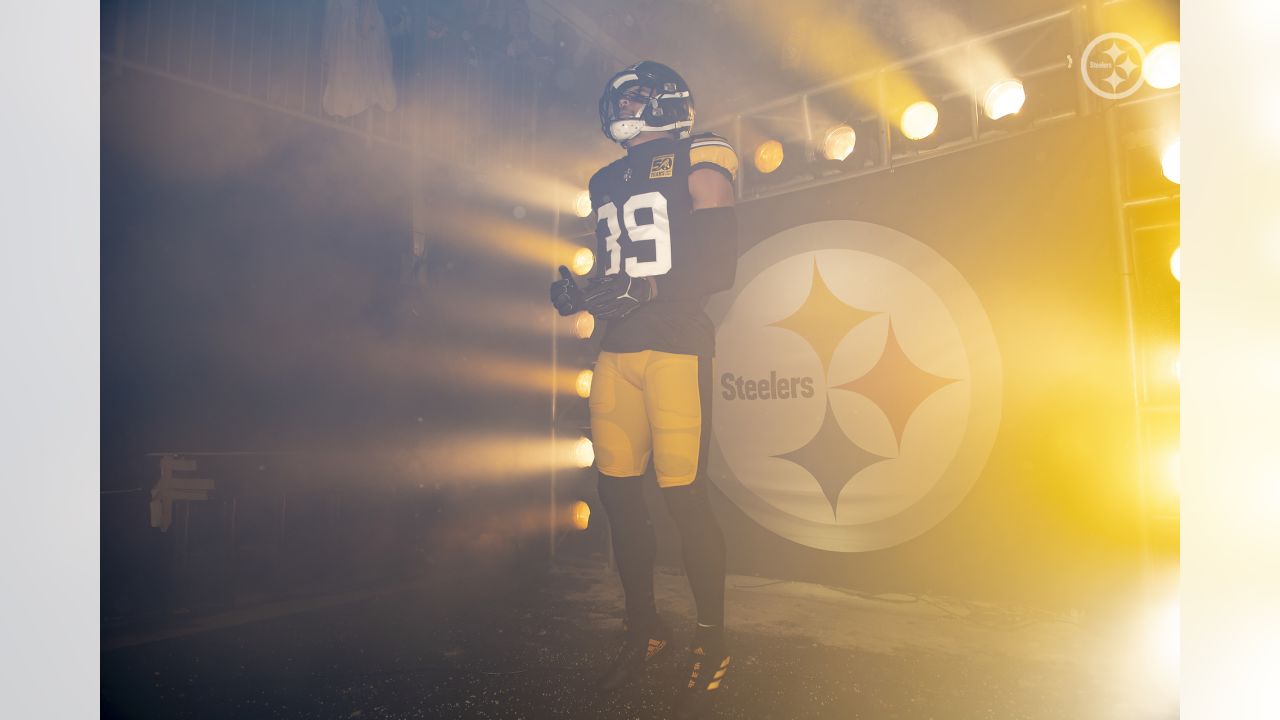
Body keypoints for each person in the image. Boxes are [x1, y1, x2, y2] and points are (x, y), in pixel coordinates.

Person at [550, 60, 739, 718]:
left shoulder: (703, 151)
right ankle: (643, 629)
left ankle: (713, 642)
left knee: (685, 498)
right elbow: (617, 264)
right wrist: (586, 290)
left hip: (676, 345)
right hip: (618, 349)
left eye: (635, 95)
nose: (623, 104)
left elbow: (718, 260)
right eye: (621, 96)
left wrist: (648, 288)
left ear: (665, 101)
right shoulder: (605, 179)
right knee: (618, 497)